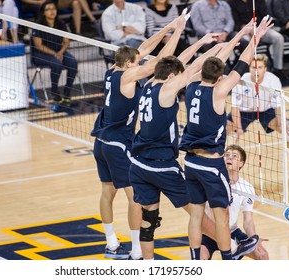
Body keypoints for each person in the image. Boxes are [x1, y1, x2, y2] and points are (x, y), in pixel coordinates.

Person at [90, 11, 189, 260]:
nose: (140, 62)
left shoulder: (113, 70)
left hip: (100, 141)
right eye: (137, 62)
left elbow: (144, 48)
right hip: (118, 143)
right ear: (129, 65)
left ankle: (111, 243)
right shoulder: (129, 74)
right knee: (136, 197)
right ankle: (136, 250)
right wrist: (177, 32)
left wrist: (168, 26)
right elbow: (162, 61)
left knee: (107, 191)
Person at [179, 16, 273, 260]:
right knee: (221, 216)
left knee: (197, 215)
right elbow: (242, 62)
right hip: (211, 163)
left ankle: (194, 257)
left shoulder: (190, 84)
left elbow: (215, 62)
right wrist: (255, 36)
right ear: (220, 77)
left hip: (189, 162)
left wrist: (240, 32)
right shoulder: (220, 90)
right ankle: (228, 255)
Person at [129, 33, 222, 260]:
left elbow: (176, 59)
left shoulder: (149, 83)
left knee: (149, 220)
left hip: (138, 164)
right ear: (171, 77)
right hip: (162, 166)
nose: (181, 79)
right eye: (177, 77)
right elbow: (196, 66)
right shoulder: (167, 90)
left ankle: (148, 266)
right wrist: (219, 47)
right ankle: (232, 245)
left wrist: (201, 41)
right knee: (197, 213)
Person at [226, 54, 289, 178]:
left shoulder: (273, 80)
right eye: (253, 68)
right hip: (244, 112)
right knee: (220, 131)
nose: (256, 71)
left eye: (259, 67)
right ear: (249, 68)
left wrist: (281, 123)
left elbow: (278, 106)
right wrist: (238, 128)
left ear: (265, 69)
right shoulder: (241, 80)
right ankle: (218, 165)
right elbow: (234, 107)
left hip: (265, 110)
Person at [200, 144, 269, 260]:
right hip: (210, 232)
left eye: (234, 156)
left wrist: (254, 239)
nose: (229, 158)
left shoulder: (247, 188)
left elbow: (248, 221)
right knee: (200, 259)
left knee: (262, 255)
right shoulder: (212, 182)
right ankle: (232, 246)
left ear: (241, 163)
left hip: (232, 231)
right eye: (227, 155)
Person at [227, 0, 287, 80]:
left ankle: (278, 69)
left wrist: (260, 30)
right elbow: (236, 22)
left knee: (278, 38)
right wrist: (249, 29)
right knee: (246, 43)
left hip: (261, 28)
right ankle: (250, 70)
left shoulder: (258, 1)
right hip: (244, 31)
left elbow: (264, 15)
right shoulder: (231, 2)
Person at [31, 1, 78, 103]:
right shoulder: (38, 25)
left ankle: (67, 92)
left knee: (73, 62)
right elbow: (38, 45)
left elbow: (66, 42)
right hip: (40, 54)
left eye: (53, 9)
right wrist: (54, 54)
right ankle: (55, 91)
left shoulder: (61, 24)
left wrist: (60, 52)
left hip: (59, 52)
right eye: (48, 9)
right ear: (43, 12)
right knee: (57, 64)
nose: (52, 11)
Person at [190, 0, 244, 66]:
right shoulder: (197, 6)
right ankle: (220, 68)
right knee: (208, 46)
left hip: (225, 34)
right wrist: (213, 35)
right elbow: (198, 26)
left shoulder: (224, 5)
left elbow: (230, 22)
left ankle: (240, 65)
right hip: (208, 36)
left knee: (243, 42)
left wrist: (225, 32)